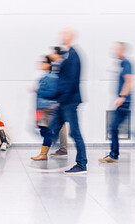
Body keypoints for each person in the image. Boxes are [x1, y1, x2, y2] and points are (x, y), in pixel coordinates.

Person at [47, 28, 87, 175]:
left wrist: (60, 99)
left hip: (69, 101)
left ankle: (82, 164)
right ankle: (51, 145)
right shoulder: (67, 55)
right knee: (52, 128)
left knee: (75, 133)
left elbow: (71, 81)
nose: (61, 35)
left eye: (64, 33)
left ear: (70, 36)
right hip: (64, 100)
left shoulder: (73, 55)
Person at [99, 42, 133, 163]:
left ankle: (114, 155)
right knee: (114, 128)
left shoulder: (127, 63)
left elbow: (129, 81)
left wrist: (122, 96)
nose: (115, 51)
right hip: (123, 101)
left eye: (117, 49)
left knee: (114, 128)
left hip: (124, 102)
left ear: (122, 50)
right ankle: (114, 154)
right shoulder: (122, 64)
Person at [31, 47, 67, 161]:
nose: (41, 64)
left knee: (46, 131)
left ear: (48, 64)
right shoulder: (45, 76)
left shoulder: (51, 77)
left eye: (43, 62)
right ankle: (46, 149)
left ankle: (44, 153)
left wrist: (38, 90)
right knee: (42, 130)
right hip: (42, 108)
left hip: (47, 109)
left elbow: (52, 92)